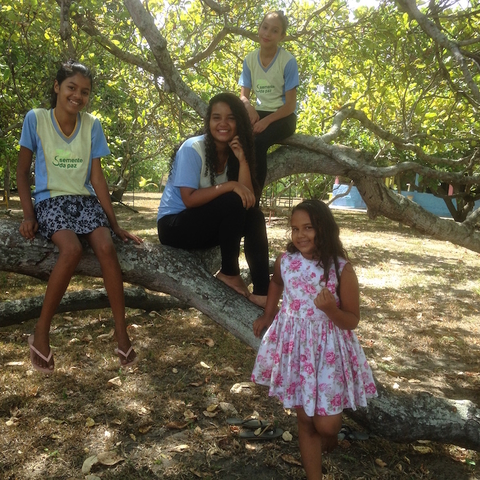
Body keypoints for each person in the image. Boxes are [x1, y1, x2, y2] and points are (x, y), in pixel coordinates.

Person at [17, 59, 142, 373]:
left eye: (84, 92)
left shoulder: (92, 125)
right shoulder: (36, 119)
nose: (77, 96)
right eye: (71, 87)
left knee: (107, 248)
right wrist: (29, 215)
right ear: (57, 87)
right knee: (71, 249)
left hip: (85, 202)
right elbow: (21, 173)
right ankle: (41, 332)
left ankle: (121, 332)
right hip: (50, 200)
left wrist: (114, 224)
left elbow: (97, 178)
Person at [251, 199, 377, 480]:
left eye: (308, 227)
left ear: (324, 228)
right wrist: (268, 314)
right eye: (295, 228)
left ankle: (330, 436)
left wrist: (331, 310)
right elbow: (276, 283)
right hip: (296, 347)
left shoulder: (341, 269)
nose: (300, 235)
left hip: (328, 350)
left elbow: (352, 319)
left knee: (327, 425)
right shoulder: (286, 261)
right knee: (306, 420)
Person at [157, 92, 270, 307]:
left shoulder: (233, 151)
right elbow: (189, 200)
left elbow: (247, 200)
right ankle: (229, 272)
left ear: (239, 122)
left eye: (231, 118)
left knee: (254, 216)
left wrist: (242, 160)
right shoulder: (193, 148)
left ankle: (263, 292)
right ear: (208, 122)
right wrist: (230, 185)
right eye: (216, 117)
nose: (223, 124)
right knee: (232, 199)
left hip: (204, 227)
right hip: (174, 227)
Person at [239, 10, 298, 200]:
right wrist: (249, 107)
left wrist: (266, 122)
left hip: (283, 117)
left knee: (258, 142)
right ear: (259, 28)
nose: (267, 34)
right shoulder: (249, 60)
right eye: (265, 27)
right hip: (259, 113)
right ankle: (235, 192)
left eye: (274, 31)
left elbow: (290, 105)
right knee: (235, 138)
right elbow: (243, 96)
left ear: (282, 36)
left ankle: (254, 198)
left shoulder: (288, 61)